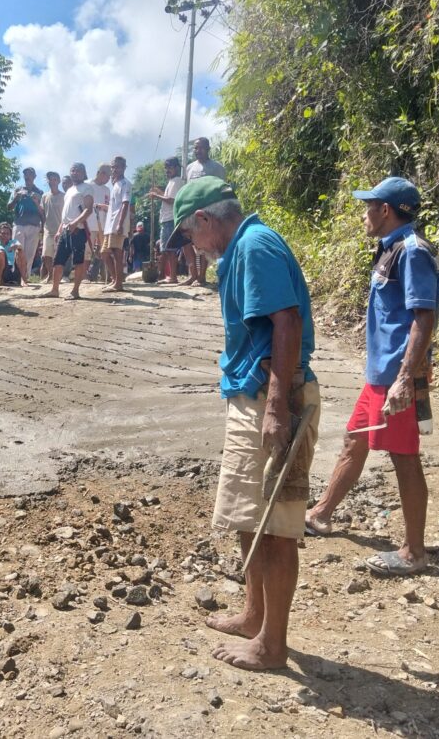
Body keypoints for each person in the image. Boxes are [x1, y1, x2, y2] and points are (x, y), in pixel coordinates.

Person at [167, 175, 320, 672]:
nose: (192, 246)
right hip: (252, 395)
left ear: (206, 220)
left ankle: (272, 646)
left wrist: (277, 405)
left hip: (272, 399)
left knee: (275, 526)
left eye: (190, 234)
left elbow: (287, 323)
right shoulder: (239, 252)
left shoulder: (255, 246)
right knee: (249, 517)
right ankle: (255, 615)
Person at [305, 177, 439, 577]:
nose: (364, 213)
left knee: (404, 458)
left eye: (369, 206)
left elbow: (424, 317)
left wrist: (405, 378)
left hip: (395, 377)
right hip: (380, 375)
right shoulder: (392, 250)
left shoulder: (412, 253)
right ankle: (321, 513)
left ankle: (413, 552)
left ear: (386, 210)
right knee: (355, 440)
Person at [40, 162, 94, 300]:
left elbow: (88, 209)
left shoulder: (87, 188)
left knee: (78, 261)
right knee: (58, 260)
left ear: (83, 172)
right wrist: (59, 229)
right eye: (72, 170)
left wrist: (76, 223)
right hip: (64, 229)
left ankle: (75, 291)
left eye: (77, 171)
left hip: (78, 230)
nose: (74, 173)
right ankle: (54, 290)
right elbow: (66, 214)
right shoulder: (70, 190)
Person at [183, 138, 226, 286]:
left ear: (208, 148)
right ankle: (194, 276)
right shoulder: (189, 168)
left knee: (208, 242)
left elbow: (222, 189)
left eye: (201, 148)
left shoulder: (217, 168)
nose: (197, 151)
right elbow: (187, 190)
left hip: (210, 211)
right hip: (193, 211)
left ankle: (202, 276)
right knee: (196, 243)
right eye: (195, 148)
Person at [147, 156, 185, 283]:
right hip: (166, 219)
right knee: (167, 250)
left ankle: (173, 277)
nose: (167, 170)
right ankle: (171, 276)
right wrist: (159, 192)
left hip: (170, 219)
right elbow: (168, 197)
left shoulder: (177, 181)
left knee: (170, 250)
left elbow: (172, 200)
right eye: (166, 167)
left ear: (176, 167)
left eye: (170, 167)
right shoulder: (172, 181)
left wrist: (156, 195)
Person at [101, 156, 132, 292]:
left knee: (116, 253)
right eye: (113, 167)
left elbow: (125, 204)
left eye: (118, 166)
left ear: (124, 168)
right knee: (104, 253)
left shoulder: (126, 184)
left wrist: (120, 224)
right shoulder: (114, 185)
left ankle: (118, 284)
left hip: (117, 223)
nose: (114, 169)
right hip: (109, 224)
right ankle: (115, 279)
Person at [9, 167, 44, 281]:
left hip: (34, 226)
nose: (27, 176)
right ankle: (16, 276)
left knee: (30, 254)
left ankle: (25, 278)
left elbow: (43, 212)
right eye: (25, 174)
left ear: (34, 177)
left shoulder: (40, 192)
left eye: (30, 174)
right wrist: (16, 199)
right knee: (18, 251)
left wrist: (37, 202)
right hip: (19, 224)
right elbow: (9, 207)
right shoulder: (17, 190)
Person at [88, 164, 111, 282]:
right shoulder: (88, 185)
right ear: (101, 173)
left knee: (105, 251)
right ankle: (84, 277)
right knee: (88, 250)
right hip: (89, 224)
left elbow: (109, 206)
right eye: (108, 176)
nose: (109, 179)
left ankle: (107, 277)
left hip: (103, 225)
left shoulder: (107, 190)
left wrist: (103, 206)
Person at [40, 171, 65, 283]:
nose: (52, 181)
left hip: (60, 229)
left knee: (59, 255)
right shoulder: (44, 196)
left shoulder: (64, 196)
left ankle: (58, 277)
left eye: (55, 179)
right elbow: (42, 212)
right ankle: (50, 275)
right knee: (46, 255)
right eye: (50, 179)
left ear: (58, 181)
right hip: (47, 229)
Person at [0, 222, 24, 286]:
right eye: (2, 233)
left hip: (15, 269)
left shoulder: (14, 242)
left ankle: (23, 279)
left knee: (20, 251)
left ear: (10, 236)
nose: (5, 235)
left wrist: (15, 246)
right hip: (4, 270)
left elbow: (20, 246)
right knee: (0, 252)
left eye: (7, 234)